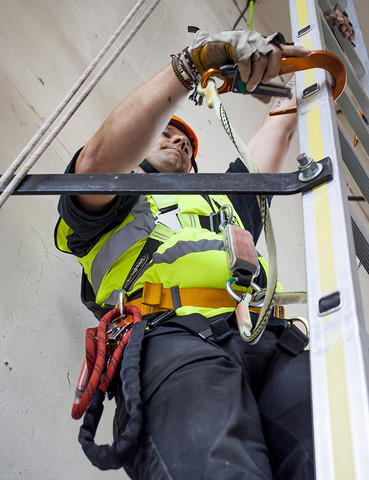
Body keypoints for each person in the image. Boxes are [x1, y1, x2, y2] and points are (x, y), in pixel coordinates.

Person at [55, 28, 313, 479]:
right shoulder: (117, 199)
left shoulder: (225, 202)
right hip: (171, 340)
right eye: (168, 134)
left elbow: (284, 119)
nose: (179, 143)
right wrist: (192, 66)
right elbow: (96, 164)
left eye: (188, 145)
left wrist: (293, 66)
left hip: (266, 342)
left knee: (338, 456)